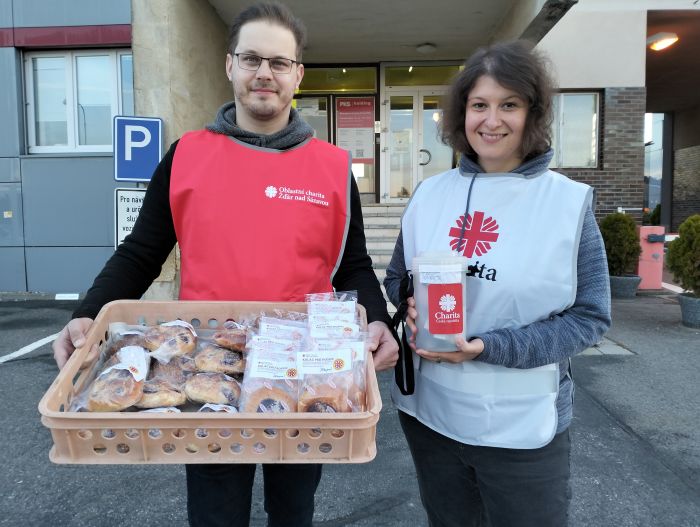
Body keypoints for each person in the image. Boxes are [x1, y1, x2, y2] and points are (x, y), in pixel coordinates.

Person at [52, 3, 398, 526]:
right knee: (216, 513)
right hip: (208, 366)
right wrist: (87, 313)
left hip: (302, 370)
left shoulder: (331, 167)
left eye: (279, 62)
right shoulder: (186, 155)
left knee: (293, 511)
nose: (265, 73)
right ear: (230, 65)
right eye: (252, 58)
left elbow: (352, 266)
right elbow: (141, 252)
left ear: (298, 75)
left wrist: (379, 320)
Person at [384, 40, 611, 527]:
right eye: (479, 105)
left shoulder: (567, 203)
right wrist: (409, 303)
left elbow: (590, 318)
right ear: (461, 114)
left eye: (509, 105)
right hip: (432, 416)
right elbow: (398, 277)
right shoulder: (430, 194)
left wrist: (490, 346)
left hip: (523, 425)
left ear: (533, 113)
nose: (491, 120)